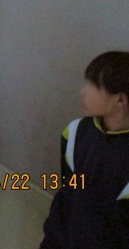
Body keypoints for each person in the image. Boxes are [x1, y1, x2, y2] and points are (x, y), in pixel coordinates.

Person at [40, 51, 129, 248]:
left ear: (120, 100)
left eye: (93, 86)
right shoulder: (75, 132)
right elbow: (67, 195)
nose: (83, 92)